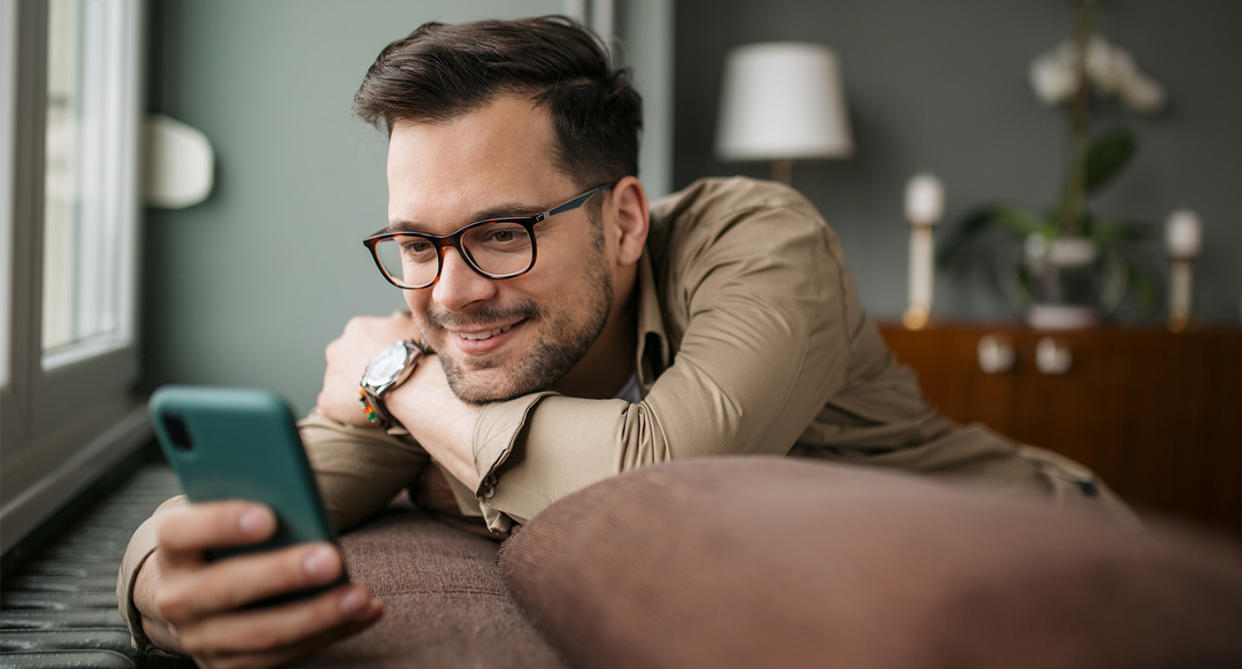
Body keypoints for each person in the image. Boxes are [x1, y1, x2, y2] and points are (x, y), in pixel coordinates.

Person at [117, 15, 1137, 667]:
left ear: (624, 221)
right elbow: (224, 517)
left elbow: (668, 467)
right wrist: (165, 589)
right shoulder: (454, 318)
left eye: (503, 233)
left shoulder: (758, 236)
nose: (454, 290)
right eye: (417, 243)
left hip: (1049, 567)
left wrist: (402, 386)